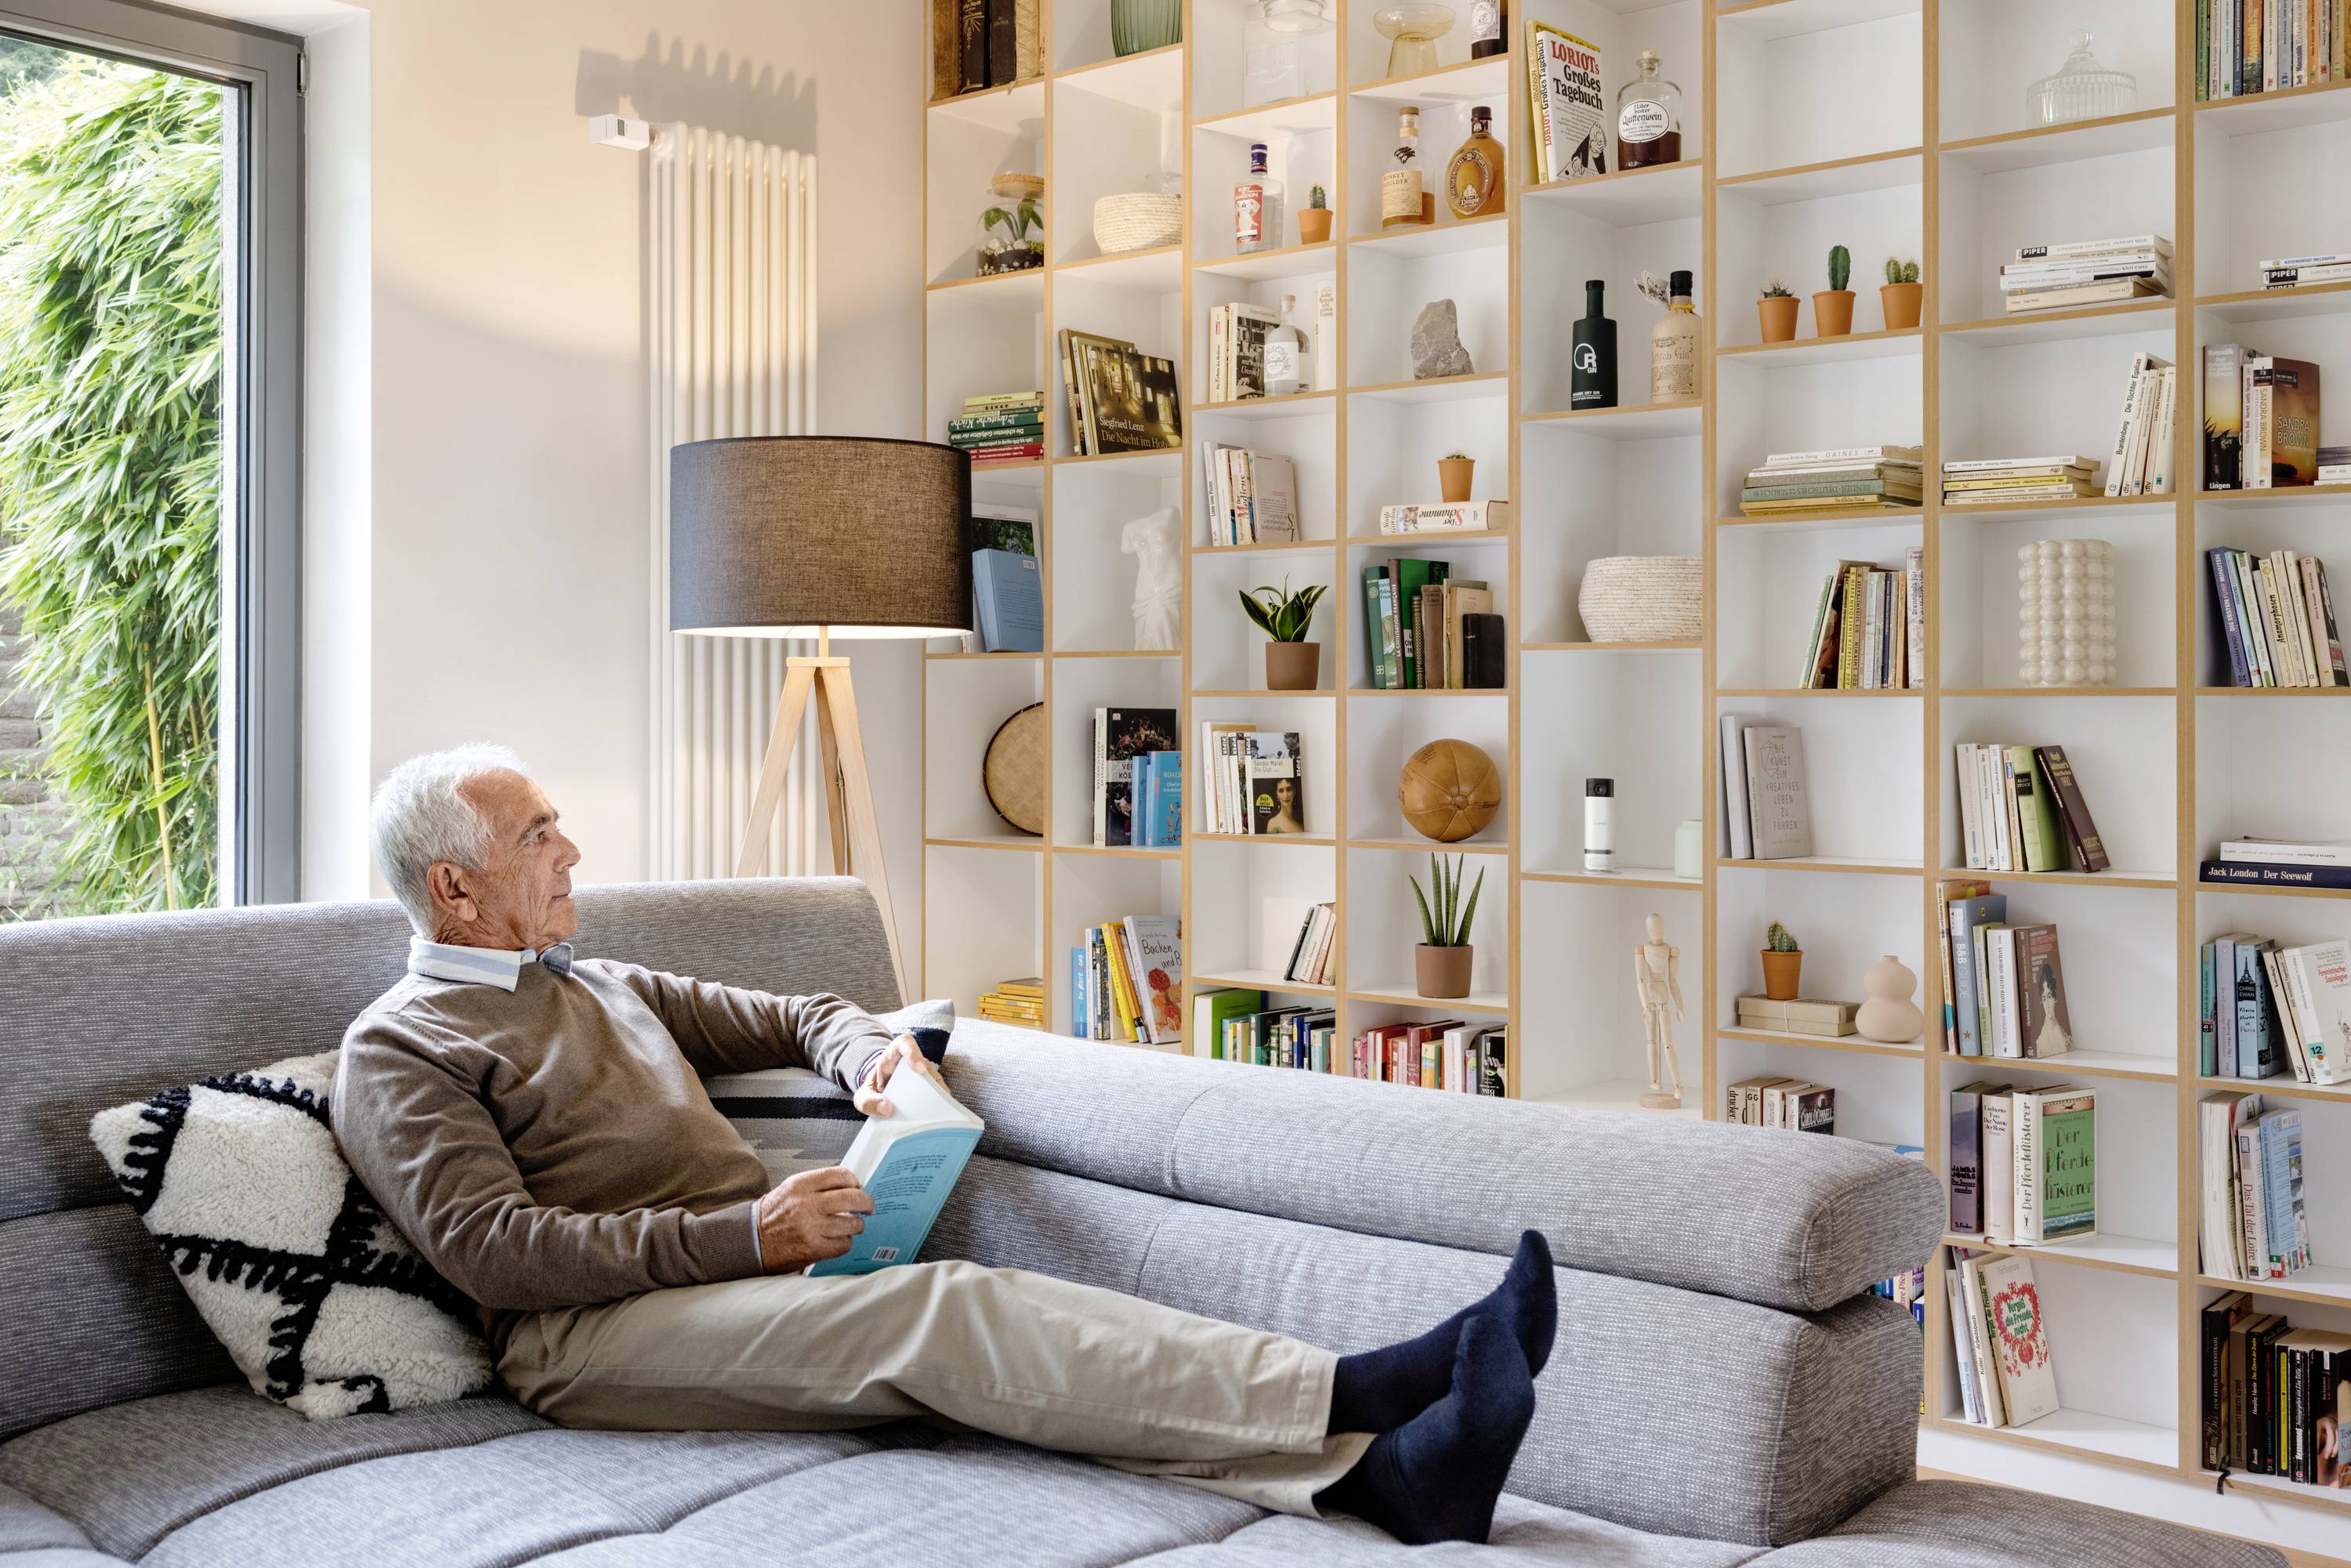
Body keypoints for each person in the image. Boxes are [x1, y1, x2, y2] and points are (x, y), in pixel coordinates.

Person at [333, 745, 1556, 1546]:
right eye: (537, 834)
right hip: (587, 1339)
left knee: (989, 1337)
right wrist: (748, 1233)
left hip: (748, 1276)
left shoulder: (592, 979)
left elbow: (798, 1012)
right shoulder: (400, 1047)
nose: (571, 850)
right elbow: (500, 1254)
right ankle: (1362, 1387)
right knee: (947, 1313)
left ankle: (1383, 1478)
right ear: (455, 888)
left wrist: (868, 1056)